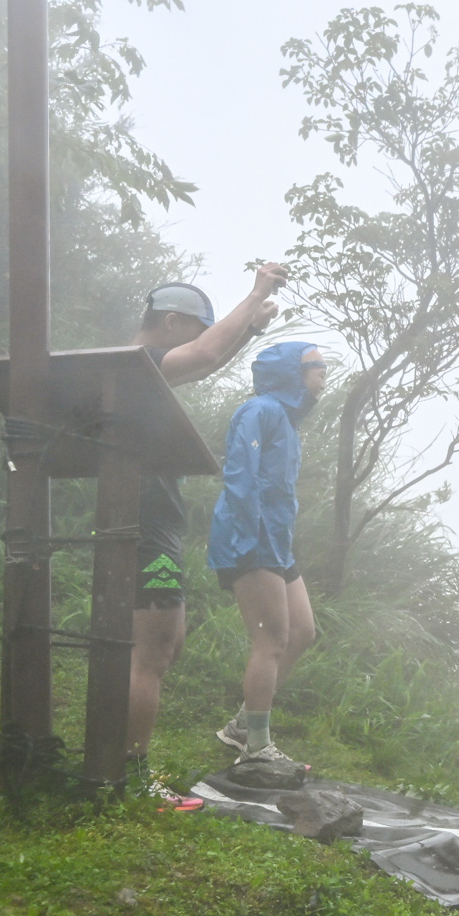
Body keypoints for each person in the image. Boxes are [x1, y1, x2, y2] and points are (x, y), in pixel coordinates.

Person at [125, 266, 288, 808]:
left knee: (164, 645)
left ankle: (123, 766)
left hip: (150, 522)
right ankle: (128, 777)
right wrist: (257, 292)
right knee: (149, 653)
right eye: (194, 330)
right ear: (171, 323)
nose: (199, 342)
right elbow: (206, 357)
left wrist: (251, 326)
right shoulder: (140, 364)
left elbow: (207, 355)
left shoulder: (135, 370)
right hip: (147, 525)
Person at [209, 342, 329, 772]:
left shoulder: (287, 420)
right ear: (289, 373)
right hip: (251, 535)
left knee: (302, 632)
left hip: (276, 541)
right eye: (315, 365)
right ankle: (256, 746)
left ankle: (243, 723)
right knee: (272, 638)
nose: (324, 372)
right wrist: (248, 538)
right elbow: (240, 476)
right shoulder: (258, 410)